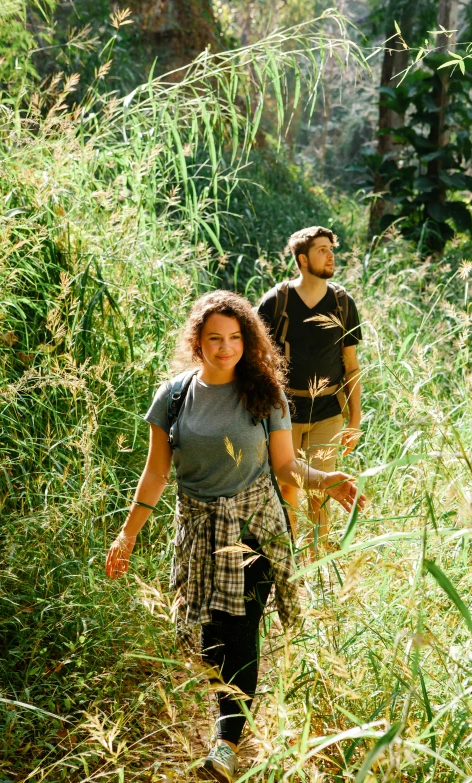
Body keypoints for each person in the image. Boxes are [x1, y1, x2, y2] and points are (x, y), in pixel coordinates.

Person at [105, 290, 365, 783]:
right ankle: (230, 712)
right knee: (210, 640)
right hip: (198, 530)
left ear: (248, 340)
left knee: (240, 631)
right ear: (197, 342)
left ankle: (226, 744)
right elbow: (156, 473)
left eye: (234, 338)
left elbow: (286, 467)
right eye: (214, 339)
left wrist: (326, 481)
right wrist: (127, 536)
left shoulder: (265, 394)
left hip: (253, 530)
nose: (225, 348)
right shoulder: (175, 395)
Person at [257, 226, 363, 550]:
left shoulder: (343, 303)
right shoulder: (276, 302)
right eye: (321, 250)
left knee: (321, 491)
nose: (330, 255)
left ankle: (320, 567)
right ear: (302, 259)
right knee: (288, 490)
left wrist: (355, 420)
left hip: (329, 412)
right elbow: (257, 361)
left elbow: (351, 365)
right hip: (284, 412)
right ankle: (287, 561)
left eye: (331, 249)